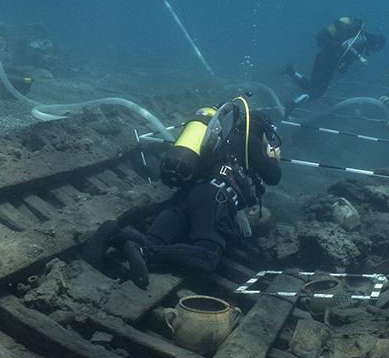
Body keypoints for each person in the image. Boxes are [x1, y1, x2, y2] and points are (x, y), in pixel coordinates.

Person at [83, 97, 282, 288]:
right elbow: (273, 176)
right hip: (215, 199)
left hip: (188, 194)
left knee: (154, 241)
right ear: (263, 130)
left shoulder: (223, 133)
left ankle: (115, 233)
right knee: (208, 257)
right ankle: (143, 253)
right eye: (270, 138)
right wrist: (272, 158)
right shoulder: (251, 138)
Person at [280, 16, 386, 116]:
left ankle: (291, 71)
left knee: (311, 86)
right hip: (329, 61)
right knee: (317, 93)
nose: (375, 51)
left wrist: (343, 66)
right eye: (377, 49)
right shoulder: (363, 38)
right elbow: (345, 45)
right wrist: (360, 57)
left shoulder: (359, 38)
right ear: (376, 44)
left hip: (323, 56)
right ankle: (293, 104)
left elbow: (343, 53)